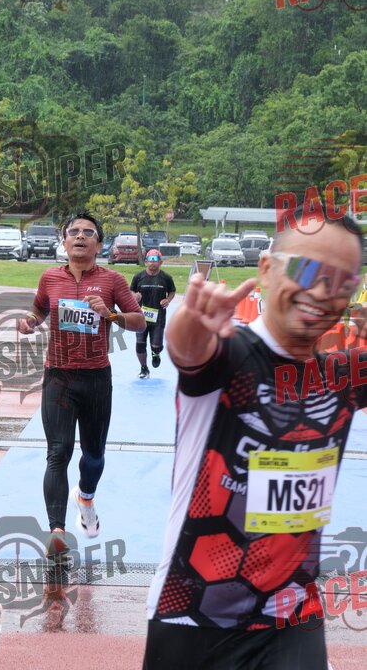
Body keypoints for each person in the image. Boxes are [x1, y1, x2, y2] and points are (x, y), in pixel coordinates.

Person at [143, 206, 367, 670]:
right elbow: (189, 348)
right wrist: (191, 318)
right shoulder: (230, 353)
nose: (321, 292)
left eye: (342, 282)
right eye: (307, 270)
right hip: (192, 616)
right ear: (266, 269)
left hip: (292, 620)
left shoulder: (343, 375)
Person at [18, 213, 145, 559]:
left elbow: (139, 322)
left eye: (88, 233)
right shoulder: (49, 277)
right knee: (58, 452)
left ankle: (85, 497)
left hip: (96, 379)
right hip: (59, 376)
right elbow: (39, 309)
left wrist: (111, 314)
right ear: (64, 241)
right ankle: (56, 532)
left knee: (93, 455)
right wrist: (29, 321)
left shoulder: (112, 280)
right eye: (73, 232)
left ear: (99, 245)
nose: (80, 236)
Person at [130, 249, 176, 378]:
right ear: (145, 262)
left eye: (155, 260)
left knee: (156, 346)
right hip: (140, 317)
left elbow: (172, 291)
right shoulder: (138, 277)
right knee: (140, 345)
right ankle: (144, 368)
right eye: (150, 260)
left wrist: (167, 300)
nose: (152, 263)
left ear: (160, 262)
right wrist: (134, 296)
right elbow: (131, 291)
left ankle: (156, 353)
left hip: (158, 318)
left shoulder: (166, 278)